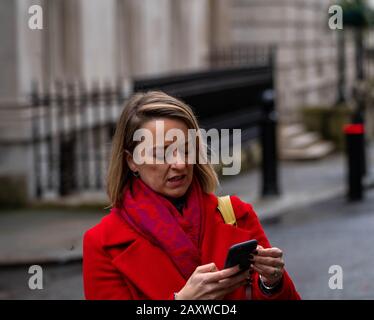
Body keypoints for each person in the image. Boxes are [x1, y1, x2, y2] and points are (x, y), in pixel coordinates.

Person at [83, 91, 301, 300]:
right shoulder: (102, 243)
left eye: (186, 149)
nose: (179, 164)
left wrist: (272, 283)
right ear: (131, 161)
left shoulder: (236, 214)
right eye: (162, 153)